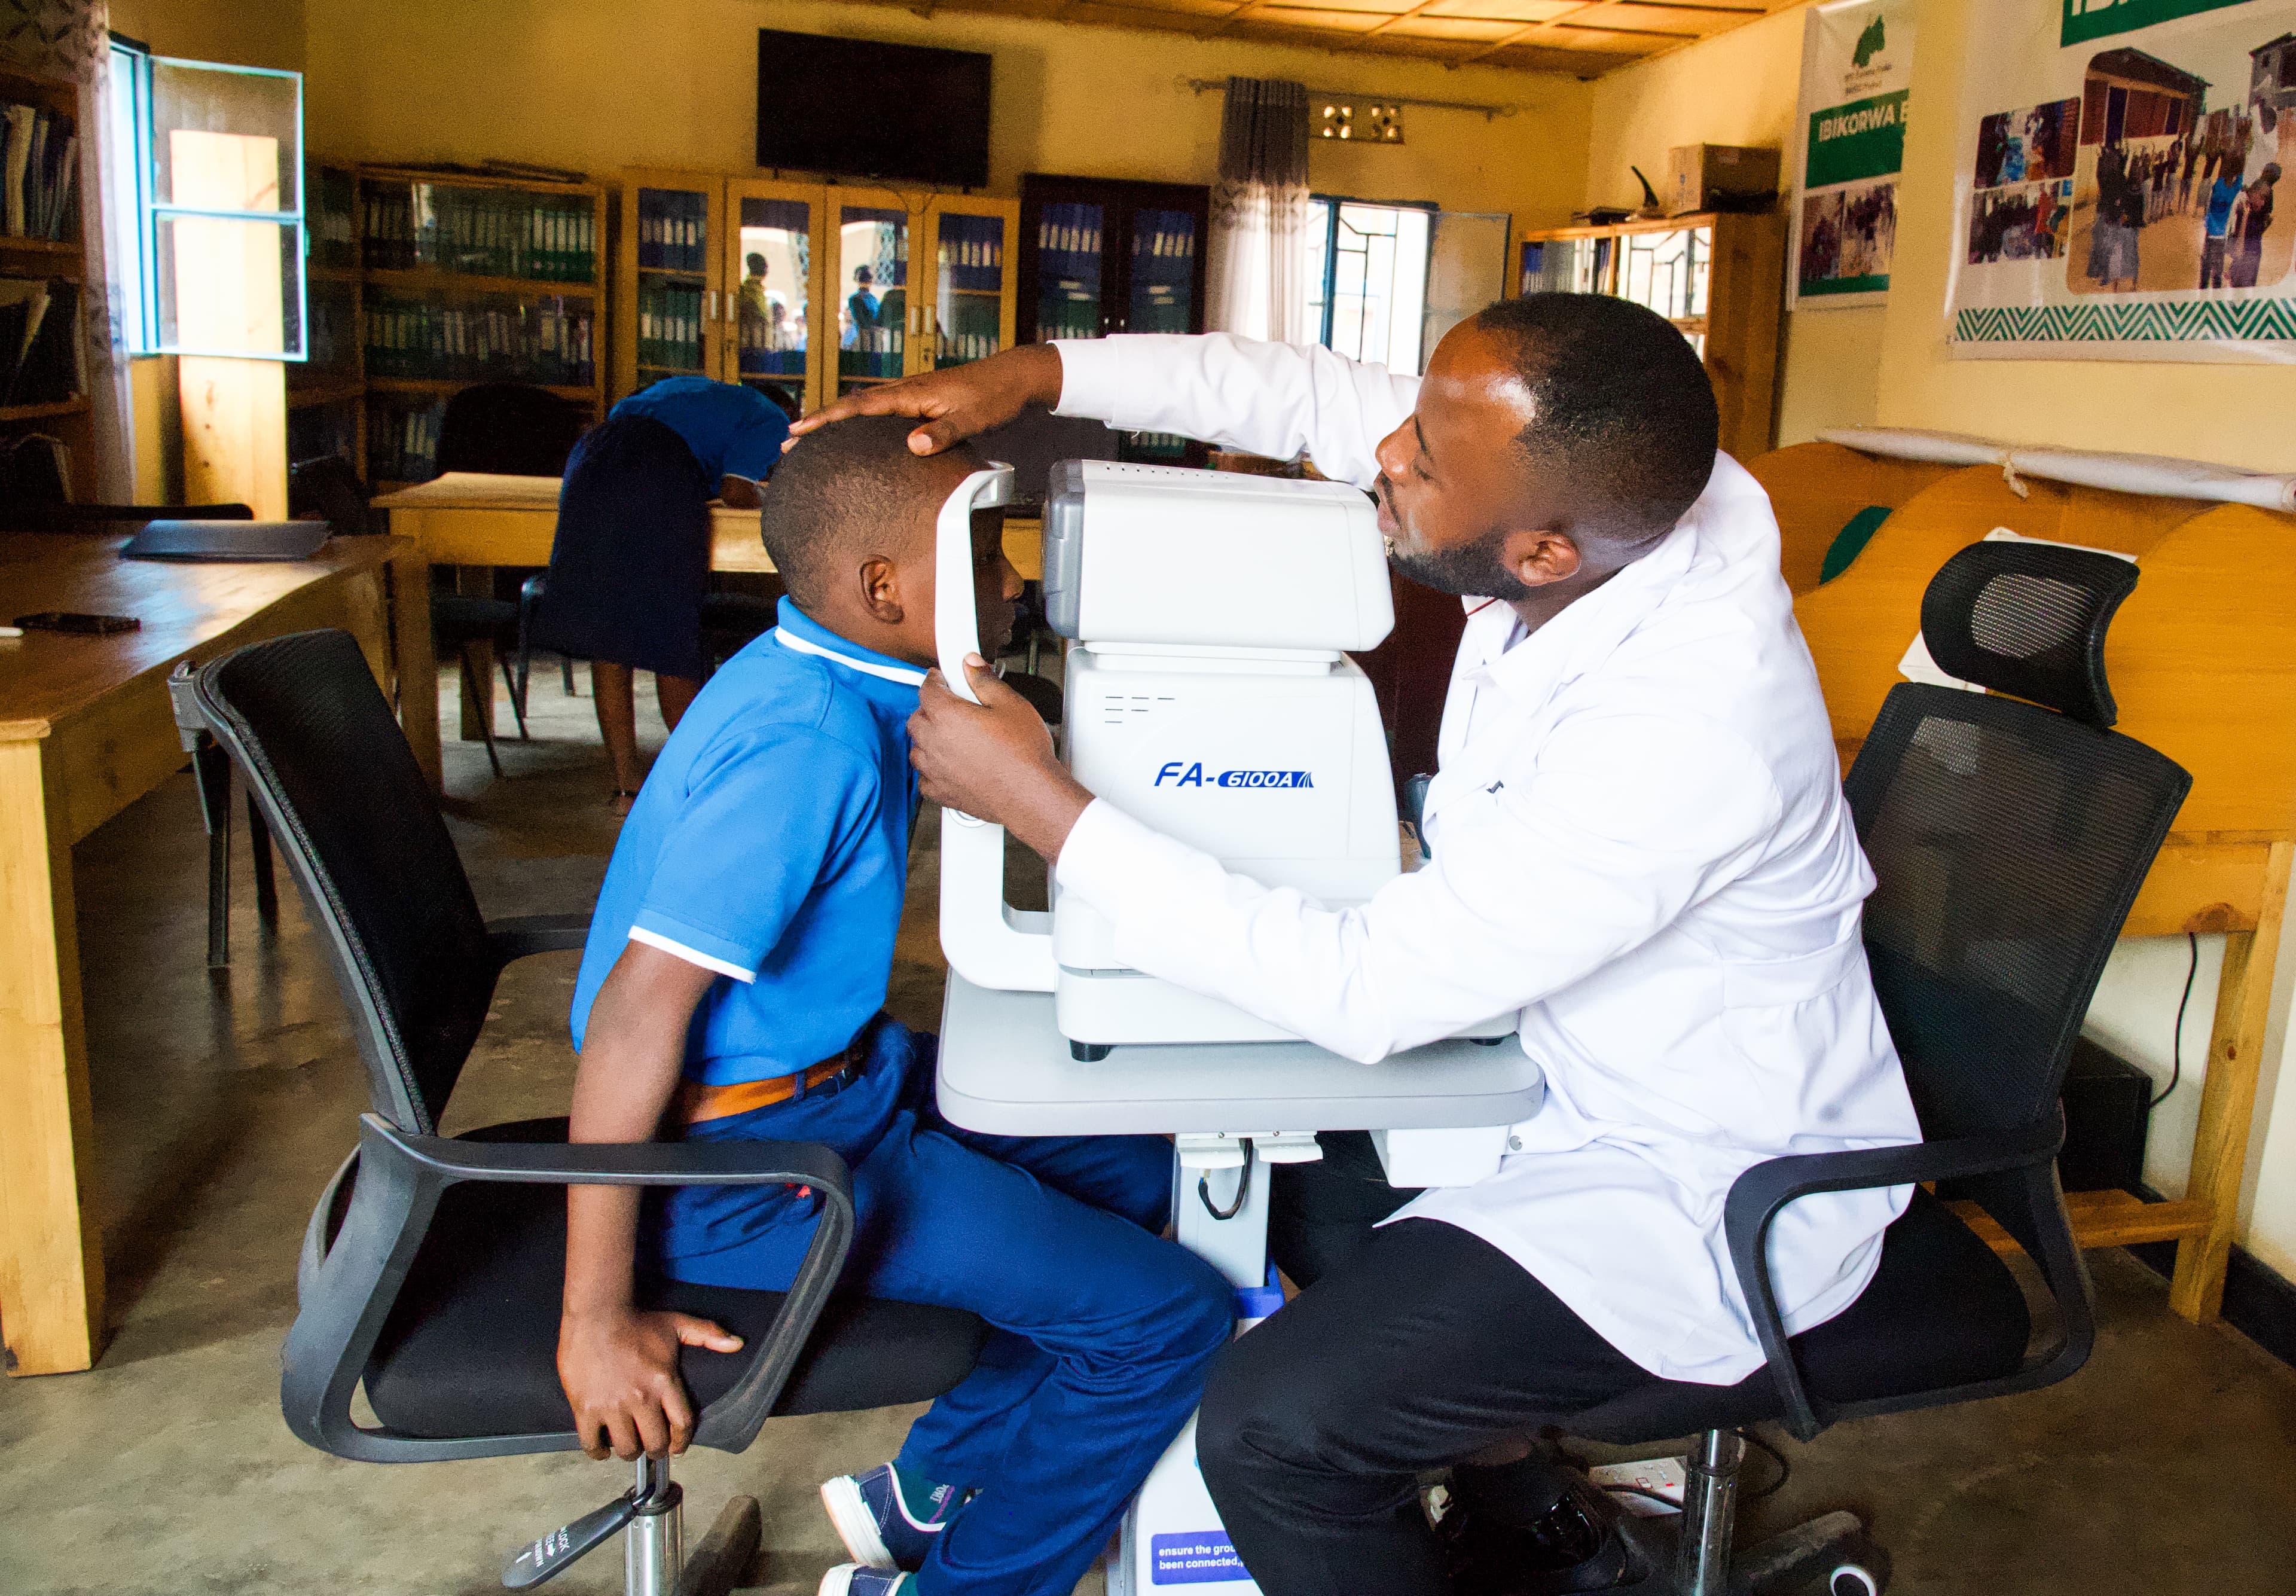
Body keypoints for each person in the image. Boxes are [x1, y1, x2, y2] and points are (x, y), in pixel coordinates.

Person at [796, 301, 1922, 1595]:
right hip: (1545, 1067)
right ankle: (1543, 1527)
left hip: (1698, 1177)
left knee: (1276, 1427)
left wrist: (1042, 802)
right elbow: (1304, 395)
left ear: (1545, 548)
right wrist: (1041, 373)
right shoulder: (1615, 487)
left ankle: (1498, 1512)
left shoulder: (1685, 727)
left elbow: (1367, 988)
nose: (1384, 452)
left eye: (1425, 465)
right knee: (1238, 1189)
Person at [555, 414, 1232, 1596]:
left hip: (839, 1085)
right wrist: (596, 1315)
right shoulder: (806, 742)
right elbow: (632, 1019)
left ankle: (922, 1492)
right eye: (983, 554)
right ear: (882, 588)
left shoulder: (823, 673)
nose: (1015, 577)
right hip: (750, 1164)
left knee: (1143, 1174)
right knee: (1168, 1316)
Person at [532, 375, 791, 810]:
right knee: (672, 633)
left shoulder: (690, 392)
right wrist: (774, 496)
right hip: (654, 468)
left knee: (608, 633)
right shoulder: (772, 417)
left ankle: (626, 786)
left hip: (590, 458)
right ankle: (704, 780)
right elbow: (736, 492)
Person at [2228, 163, 2280, 289]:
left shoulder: (2261, 188)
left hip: (2246, 243)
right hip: (2253, 244)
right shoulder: (2267, 193)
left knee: (2240, 285)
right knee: (2245, 286)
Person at [2201, 159, 2246, 288]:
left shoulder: (2218, 186)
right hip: (2222, 236)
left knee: (2206, 268)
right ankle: (2216, 294)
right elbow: (2240, 181)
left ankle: (2203, 292)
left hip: (2210, 233)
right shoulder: (2233, 192)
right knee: (2218, 272)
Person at [844, 264, 881, 350]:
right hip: (860, 339)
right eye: (863, 279)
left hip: (873, 339)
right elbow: (862, 322)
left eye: (869, 278)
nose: (866, 282)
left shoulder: (873, 299)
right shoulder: (855, 299)